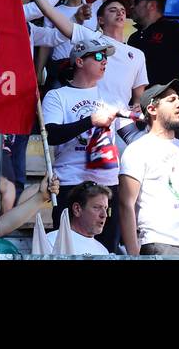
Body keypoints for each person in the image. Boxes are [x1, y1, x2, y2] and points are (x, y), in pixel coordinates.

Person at [118, 80, 179, 256]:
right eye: (171, 100)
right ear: (152, 109)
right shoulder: (137, 150)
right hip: (162, 245)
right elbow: (126, 204)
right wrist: (133, 255)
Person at [40, 40, 121, 227]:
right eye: (99, 56)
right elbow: (51, 135)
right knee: (69, 250)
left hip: (107, 183)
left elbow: (128, 133)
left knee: (107, 251)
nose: (105, 61)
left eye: (106, 57)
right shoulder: (58, 95)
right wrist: (90, 120)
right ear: (79, 61)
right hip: (71, 182)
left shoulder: (111, 96)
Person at [47, 182, 112, 256]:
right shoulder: (52, 241)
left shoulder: (103, 251)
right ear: (77, 209)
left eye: (105, 208)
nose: (104, 215)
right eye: (97, 207)